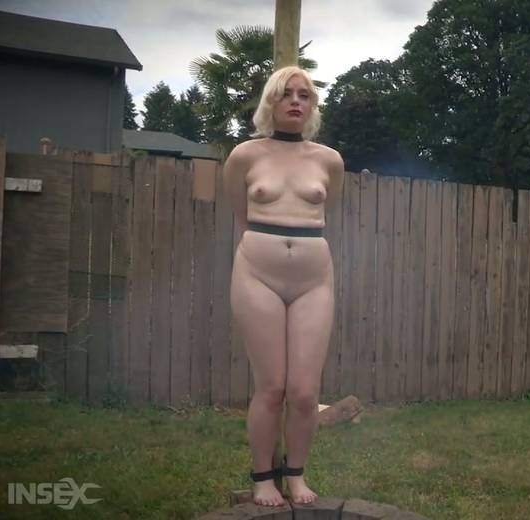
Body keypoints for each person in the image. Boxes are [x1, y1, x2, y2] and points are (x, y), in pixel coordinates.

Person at [224, 65, 343, 506]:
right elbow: (241, 213)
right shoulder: (244, 156)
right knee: (271, 386)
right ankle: (262, 478)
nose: (295, 101)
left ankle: (296, 474)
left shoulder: (329, 160)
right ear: (270, 102)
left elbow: (328, 211)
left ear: (312, 106)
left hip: (313, 279)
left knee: (305, 392)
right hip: (258, 274)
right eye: (286, 93)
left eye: (304, 95)